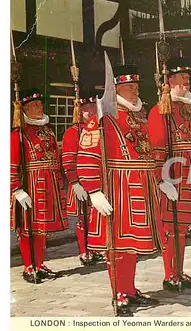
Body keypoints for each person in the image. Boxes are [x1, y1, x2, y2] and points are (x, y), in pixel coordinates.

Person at [77, 64, 163, 316]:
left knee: (131, 244)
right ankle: (119, 293)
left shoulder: (139, 117)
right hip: (117, 187)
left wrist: (159, 179)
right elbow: (87, 154)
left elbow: (148, 152)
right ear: (116, 89)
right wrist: (93, 190)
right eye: (128, 87)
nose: (134, 91)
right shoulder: (103, 118)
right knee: (116, 245)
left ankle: (130, 288)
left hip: (141, 187)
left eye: (136, 87)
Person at [148, 56, 191, 290]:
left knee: (182, 228)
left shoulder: (190, 110)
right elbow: (156, 147)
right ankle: (170, 275)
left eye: (188, 78)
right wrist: (162, 179)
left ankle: (180, 272)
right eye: (182, 78)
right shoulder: (160, 111)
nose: (186, 82)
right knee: (170, 228)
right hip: (173, 174)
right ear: (170, 80)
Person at [10, 88, 69, 283]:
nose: (39, 107)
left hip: (49, 183)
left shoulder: (48, 130)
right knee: (28, 228)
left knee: (41, 229)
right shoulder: (18, 134)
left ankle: (40, 263)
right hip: (30, 185)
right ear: (24, 109)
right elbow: (10, 163)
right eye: (34, 105)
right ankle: (29, 266)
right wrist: (16, 189)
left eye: (40, 103)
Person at [62, 89, 105, 266]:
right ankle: (84, 251)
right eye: (87, 109)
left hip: (97, 181)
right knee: (83, 218)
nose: (92, 112)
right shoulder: (73, 132)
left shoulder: (100, 129)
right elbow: (69, 160)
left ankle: (94, 248)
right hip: (80, 182)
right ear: (80, 111)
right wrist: (75, 182)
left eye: (94, 108)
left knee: (95, 217)